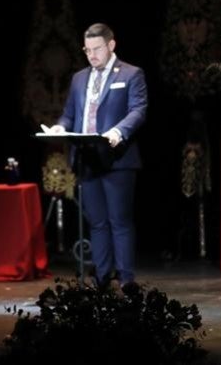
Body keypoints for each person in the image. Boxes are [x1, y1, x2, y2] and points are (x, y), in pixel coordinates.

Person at [48, 23, 148, 286]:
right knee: (98, 222)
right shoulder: (80, 78)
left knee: (120, 221)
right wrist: (61, 126)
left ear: (111, 45)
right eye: (87, 50)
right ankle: (102, 277)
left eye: (97, 49)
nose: (92, 55)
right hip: (87, 159)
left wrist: (119, 131)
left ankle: (126, 279)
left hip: (117, 158)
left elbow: (138, 110)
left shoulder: (130, 74)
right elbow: (70, 113)